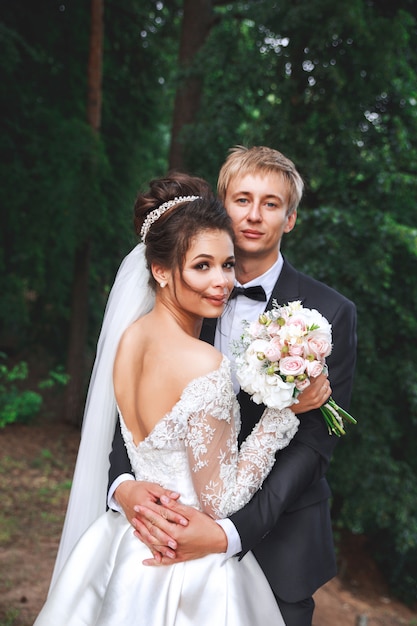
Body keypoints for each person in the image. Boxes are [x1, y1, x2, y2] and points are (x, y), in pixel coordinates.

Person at [34, 172, 323, 626]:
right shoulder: (204, 363)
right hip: (188, 563)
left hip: (124, 544)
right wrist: (280, 415)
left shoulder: (127, 340)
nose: (222, 282)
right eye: (202, 266)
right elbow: (221, 500)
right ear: (161, 270)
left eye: (228, 265)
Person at [108, 146, 357, 626]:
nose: (255, 215)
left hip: (280, 541)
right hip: (164, 532)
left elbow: (315, 446)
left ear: (290, 219)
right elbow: (131, 411)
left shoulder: (330, 314)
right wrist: (124, 487)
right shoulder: (178, 293)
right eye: (243, 199)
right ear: (222, 206)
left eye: (271, 203)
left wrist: (229, 534)